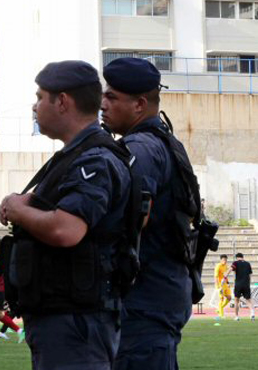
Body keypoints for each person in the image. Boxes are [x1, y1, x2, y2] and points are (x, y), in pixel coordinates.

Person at [0, 60, 131, 369]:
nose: (34, 107)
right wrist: (26, 202)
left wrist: (19, 210)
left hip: (75, 321)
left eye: (40, 97)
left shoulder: (93, 160)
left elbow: (66, 230)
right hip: (64, 316)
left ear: (62, 102)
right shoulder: (76, 156)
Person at [101, 57, 195, 370]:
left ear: (139, 104)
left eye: (112, 97)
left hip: (145, 301)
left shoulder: (141, 147)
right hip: (160, 294)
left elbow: (131, 217)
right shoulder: (165, 142)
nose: (103, 104)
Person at [230, 253, 254, 321]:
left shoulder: (235, 263)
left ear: (237, 257)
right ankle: (252, 314)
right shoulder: (248, 263)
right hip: (246, 284)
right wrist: (248, 283)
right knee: (248, 300)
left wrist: (225, 277)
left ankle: (237, 317)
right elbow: (250, 275)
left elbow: (231, 269)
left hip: (238, 284)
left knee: (236, 300)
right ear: (242, 257)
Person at [215, 255, 232, 319]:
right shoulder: (218, 266)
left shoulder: (226, 266)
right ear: (221, 260)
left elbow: (225, 276)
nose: (225, 261)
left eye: (226, 260)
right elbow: (216, 277)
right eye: (224, 260)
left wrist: (228, 283)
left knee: (229, 298)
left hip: (225, 285)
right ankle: (221, 315)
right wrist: (218, 286)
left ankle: (219, 309)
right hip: (220, 285)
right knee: (221, 299)